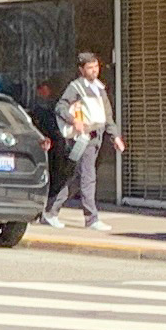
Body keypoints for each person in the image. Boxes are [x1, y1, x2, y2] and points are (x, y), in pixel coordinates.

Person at [53, 51, 114, 229]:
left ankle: (50, 211)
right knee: (88, 176)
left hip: (97, 136)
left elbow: (107, 115)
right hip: (83, 137)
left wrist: (115, 135)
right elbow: (61, 107)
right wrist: (74, 121)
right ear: (81, 69)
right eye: (90, 67)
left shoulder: (99, 88)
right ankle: (91, 218)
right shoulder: (76, 88)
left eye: (96, 66)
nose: (94, 70)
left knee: (77, 177)